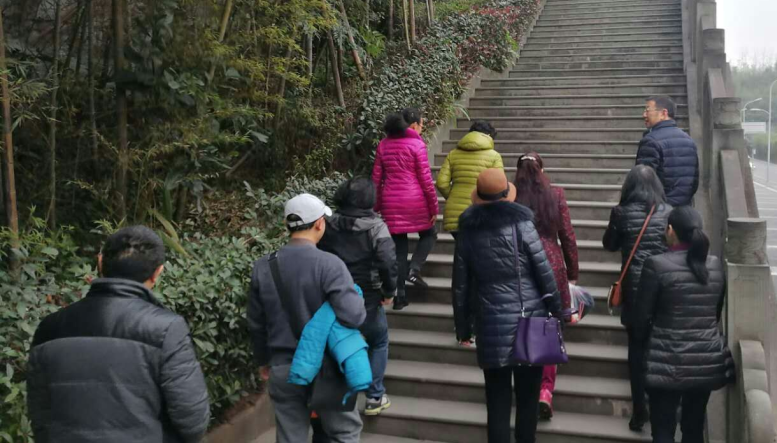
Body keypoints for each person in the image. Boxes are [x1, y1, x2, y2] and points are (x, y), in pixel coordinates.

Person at [27, 226, 210, 443]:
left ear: (100, 262)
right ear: (157, 272)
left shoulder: (49, 328)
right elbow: (193, 422)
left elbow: (39, 416)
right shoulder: (167, 329)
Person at [247, 193, 367, 443]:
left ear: (286, 225)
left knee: (290, 437)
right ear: (320, 224)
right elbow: (354, 316)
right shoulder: (330, 265)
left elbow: (256, 323)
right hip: (327, 370)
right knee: (344, 433)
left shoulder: (263, 266)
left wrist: (264, 360)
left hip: (283, 367)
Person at [453, 168, 561, 443]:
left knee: (497, 403)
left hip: (490, 324)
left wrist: (463, 328)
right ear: (507, 195)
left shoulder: (468, 232)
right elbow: (544, 273)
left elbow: (460, 285)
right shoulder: (523, 226)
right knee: (528, 400)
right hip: (529, 321)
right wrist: (558, 310)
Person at [633, 206, 733, 443]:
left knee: (663, 430)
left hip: (666, 360)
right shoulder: (714, 265)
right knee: (694, 428)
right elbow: (714, 314)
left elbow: (641, 319)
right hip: (704, 360)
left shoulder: (656, 265)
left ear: (670, 230)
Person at [319, 177, 397, 416]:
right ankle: (374, 396)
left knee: (337, 342)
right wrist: (389, 291)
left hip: (334, 295)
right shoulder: (376, 227)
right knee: (378, 341)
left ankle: (337, 397)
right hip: (368, 297)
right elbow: (387, 261)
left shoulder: (327, 224)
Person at [602, 165, 672, 432]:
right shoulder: (668, 212)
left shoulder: (621, 213)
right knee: (660, 345)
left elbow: (609, 244)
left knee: (637, 348)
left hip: (634, 288)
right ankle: (660, 404)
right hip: (663, 287)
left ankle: (639, 408)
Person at [513, 152, 578, 421]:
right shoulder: (556, 194)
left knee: (523, 321)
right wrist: (572, 272)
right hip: (551, 262)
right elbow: (567, 235)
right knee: (550, 325)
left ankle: (524, 384)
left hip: (520, 264)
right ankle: (545, 390)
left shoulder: (512, 195)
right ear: (542, 169)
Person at [372, 108, 439, 310]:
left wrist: (376, 205)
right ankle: (414, 268)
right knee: (429, 234)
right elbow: (426, 180)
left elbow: (376, 179)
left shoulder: (383, 144)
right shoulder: (417, 145)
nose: (421, 128)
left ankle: (399, 297)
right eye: (421, 124)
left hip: (390, 202)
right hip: (414, 200)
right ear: (414, 125)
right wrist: (433, 207)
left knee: (399, 251)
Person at [435, 120, 503, 236]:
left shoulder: (453, 154)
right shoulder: (494, 156)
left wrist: (453, 196)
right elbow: (498, 185)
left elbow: (441, 183)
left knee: (460, 245)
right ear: (489, 136)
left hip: (455, 212)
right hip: (480, 212)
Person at [636, 95, 699, 207]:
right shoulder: (688, 140)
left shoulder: (651, 141)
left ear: (663, 113)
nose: (644, 115)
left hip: (659, 211)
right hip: (683, 209)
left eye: (647, 110)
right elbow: (694, 182)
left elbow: (643, 183)